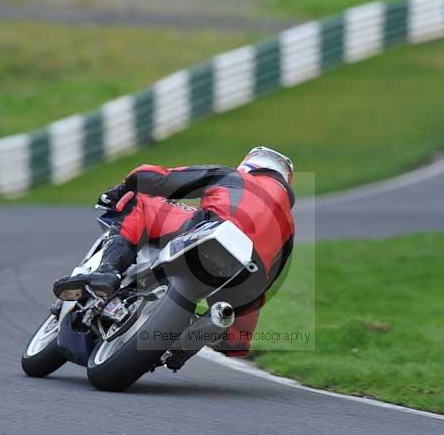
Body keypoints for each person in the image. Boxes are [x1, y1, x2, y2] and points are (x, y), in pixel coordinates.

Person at [53, 146, 296, 357]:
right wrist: (237, 337)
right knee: (236, 320)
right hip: (246, 278)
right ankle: (187, 344)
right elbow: (266, 286)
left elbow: (161, 179)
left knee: (142, 203)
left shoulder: (233, 177)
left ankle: (108, 272)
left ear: (249, 165)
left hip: (212, 230)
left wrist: (124, 186)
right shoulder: (289, 229)